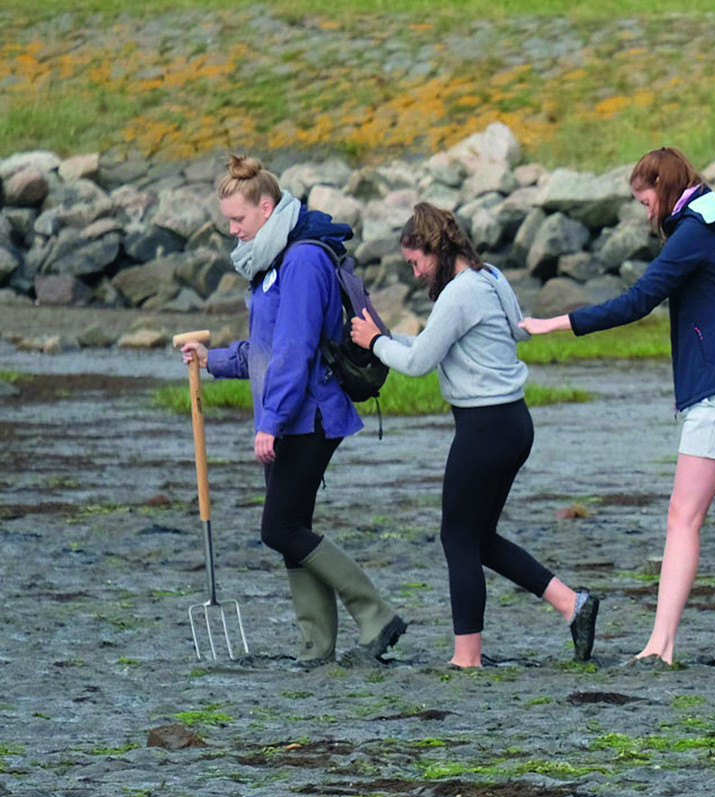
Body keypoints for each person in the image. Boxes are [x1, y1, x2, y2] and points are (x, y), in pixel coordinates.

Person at [519, 147, 715, 666]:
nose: (646, 214)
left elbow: (638, 301)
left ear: (663, 188)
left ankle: (660, 646)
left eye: (645, 201)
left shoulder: (694, 232)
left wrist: (553, 324)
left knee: (683, 518)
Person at [348, 202, 600, 669]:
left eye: (415, 262)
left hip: (483, 428)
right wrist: (386, 339)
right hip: (513, 423)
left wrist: (375, 343)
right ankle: (572, 605)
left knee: (456, 539)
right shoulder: (492, 278)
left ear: (434, 249)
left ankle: (467, 657)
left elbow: (420, 364)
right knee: (478, 537)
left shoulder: (459, 294)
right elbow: (492, 338)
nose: (416, 274)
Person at [177, 153, 403, 667]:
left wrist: (269, 423)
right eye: (229, 222)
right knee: (292, 527)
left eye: (238, 220)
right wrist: (211, 360)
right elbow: (265, 350)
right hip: (293, 416)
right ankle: (316, 646)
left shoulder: (301, 260)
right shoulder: (272, 260)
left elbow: (296, 349)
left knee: (278, 528)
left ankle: (377, 615)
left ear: (266, 206)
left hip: (311, 415)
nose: (233, 231)